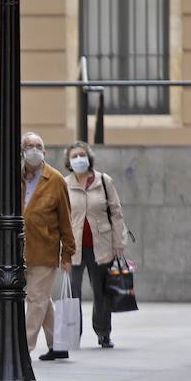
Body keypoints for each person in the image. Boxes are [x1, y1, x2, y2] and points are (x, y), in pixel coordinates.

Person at [63, 141, 126, 350]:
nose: (79, 159)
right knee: (73, 292)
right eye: (74, 156)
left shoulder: (103, 181)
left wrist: (119, 242)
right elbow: (60, 218)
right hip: (74, 247)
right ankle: (73, 334)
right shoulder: (64, 183)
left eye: (82, 154)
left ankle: (103, 333)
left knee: (101, 292)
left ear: (89, 157)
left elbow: (116, 213)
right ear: (69, 162)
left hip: (102, 246)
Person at [20, 132, 75, 361]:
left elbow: (65, 218)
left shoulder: (55, 180)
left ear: (45, 152)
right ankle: (58, 343)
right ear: (22, 151)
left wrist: (68, 253)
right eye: (29, 145)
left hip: (45, 249)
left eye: (38, 146)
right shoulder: (16, 177)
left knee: (35, 299)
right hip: (20, 251)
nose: (33, 149)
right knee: (41, 299)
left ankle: (23, 348)